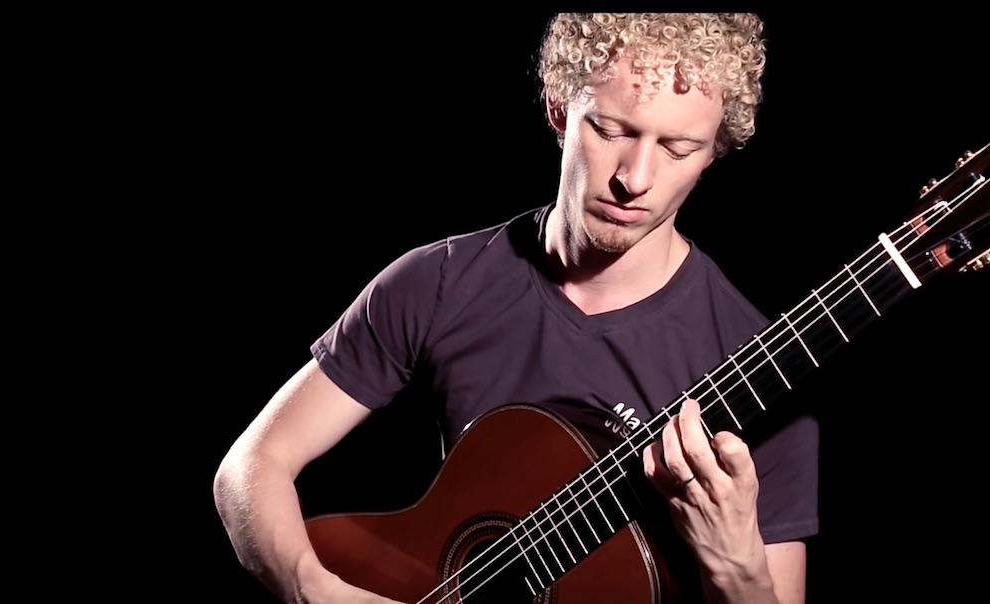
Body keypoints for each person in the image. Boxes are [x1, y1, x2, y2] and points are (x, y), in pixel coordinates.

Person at [214, 12, 818, 604]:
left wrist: (737, 570)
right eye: (610, 130)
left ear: (714, 152)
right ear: (559, 107)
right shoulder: (441, 282)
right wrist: (311, 589)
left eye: (679, 148)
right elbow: (252, 465)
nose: (635, 178)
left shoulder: (764, 373)